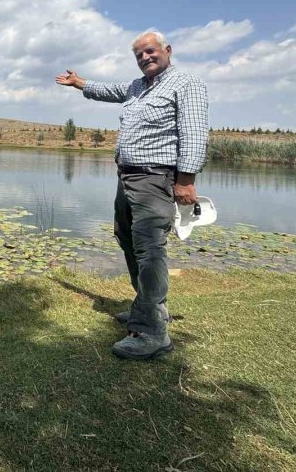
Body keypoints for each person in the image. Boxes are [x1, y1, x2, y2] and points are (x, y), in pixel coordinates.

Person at [56, 30, 208, 360]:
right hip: (127, 178)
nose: (145, 58)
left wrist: (186, 181)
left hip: (156, 178)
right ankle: (148, 307)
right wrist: (80, 83)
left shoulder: (186, 84)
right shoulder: (138, 87)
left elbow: (194, 134)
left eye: (150, 51)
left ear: (167, 50)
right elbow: (109, 90)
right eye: (139, 55)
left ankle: (153, 332)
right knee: (125, 237)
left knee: (149, 248)